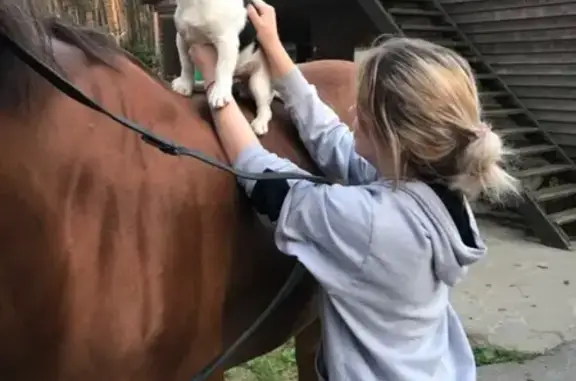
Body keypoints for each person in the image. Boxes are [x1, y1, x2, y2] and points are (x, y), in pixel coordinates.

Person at [189, 0, 520, 380]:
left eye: (361, 107)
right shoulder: (434, 191)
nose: (350, 114)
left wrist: (216, 81)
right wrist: (274, 47)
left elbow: (267, 180)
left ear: (392, 138)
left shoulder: (374, 224)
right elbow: (331, 140)